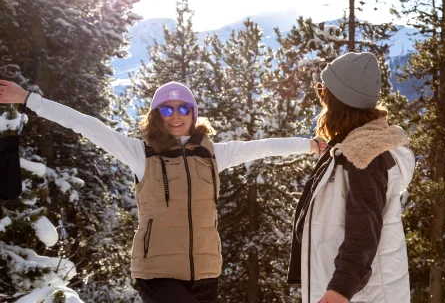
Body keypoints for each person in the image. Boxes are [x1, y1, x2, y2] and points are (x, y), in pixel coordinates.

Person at [0, 80, 325, 303]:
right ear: (156, 115)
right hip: (157, 274)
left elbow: (263, 148)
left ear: (194, 113)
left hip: (206, 271)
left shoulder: (213, 154)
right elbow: (86, 125)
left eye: (183, 108)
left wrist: (309, 145)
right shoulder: (141, 153)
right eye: (166, 110)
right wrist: (29, 99)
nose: (176, 116)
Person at [287, 52, 415, 303]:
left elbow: (364, 229)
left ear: (338, 100)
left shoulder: (364, 154)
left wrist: (341, 289)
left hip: (360, 295)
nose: (320, 96)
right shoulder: (354, 147)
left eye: (323, 90)